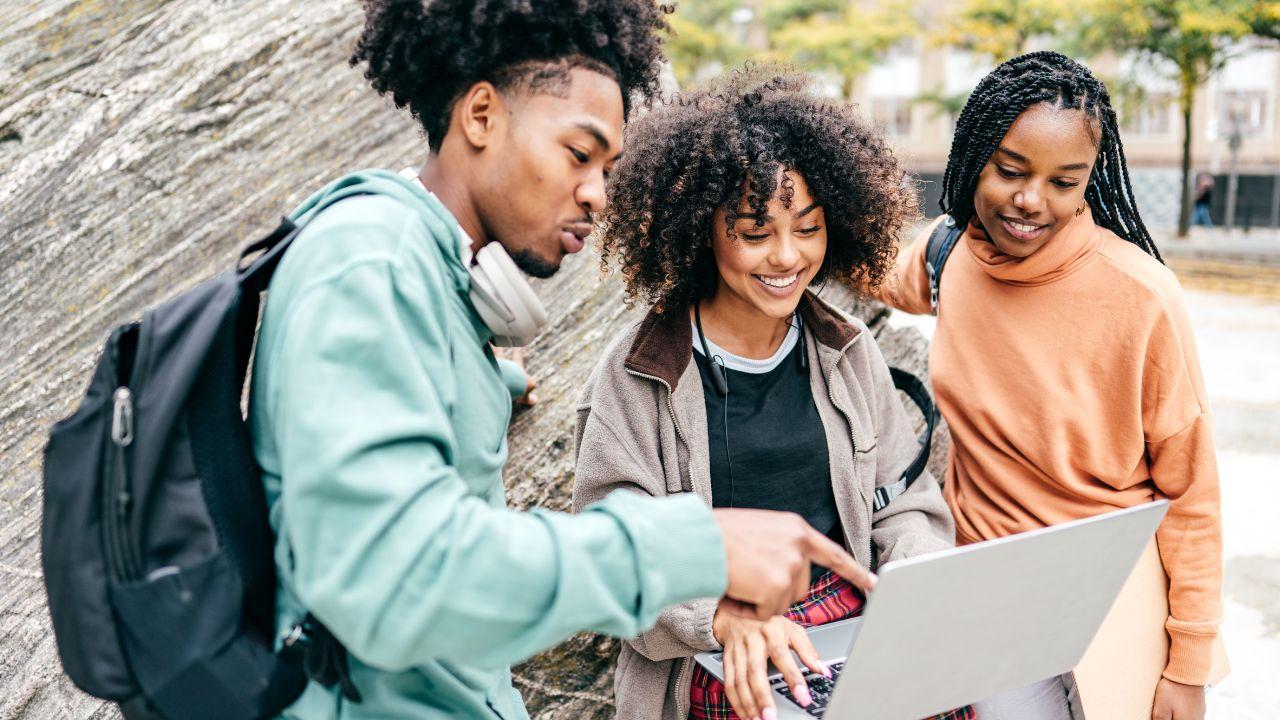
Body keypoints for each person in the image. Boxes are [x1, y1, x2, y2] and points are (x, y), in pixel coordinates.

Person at [248, 3, 872, 718]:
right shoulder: (371, 268)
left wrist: (487, 380)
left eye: (608, 168)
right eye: (580, 154)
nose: (598, 195)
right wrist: (697, 544)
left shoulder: (424, 281)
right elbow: (399, 585)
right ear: (481, 115)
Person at [574, 70, 966, 720]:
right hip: (716, 646)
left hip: (852, 623)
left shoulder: (848, 351)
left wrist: (912, 590)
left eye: (808, 228)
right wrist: (723, 618)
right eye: (755, 232)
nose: (786, 256)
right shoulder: (637, 376)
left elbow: (905, 505)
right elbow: (612, 552)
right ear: (703, 229)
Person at [876, 51, 1226, 720]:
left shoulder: (1142, 297)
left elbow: (1193, 493)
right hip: (983, 606)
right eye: (1010, 171)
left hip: (1108, 614)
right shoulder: (948, 257)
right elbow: (850, 265)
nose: (1032, 201)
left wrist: (1190, 663)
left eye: (1065, 182)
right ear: (973, 153)